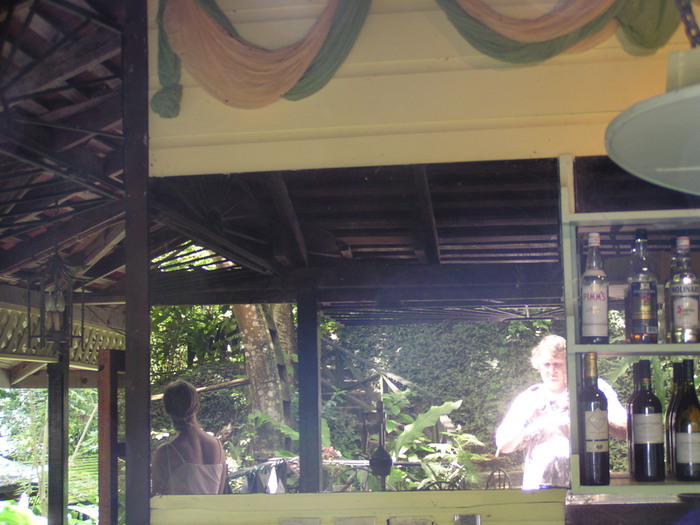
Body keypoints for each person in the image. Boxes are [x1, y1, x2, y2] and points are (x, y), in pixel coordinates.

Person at [495, 335, 626, 490]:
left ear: (569, 365)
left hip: (586, 485)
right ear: (538, 366)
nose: (551, 370)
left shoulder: (594, 390)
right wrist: (527, 421)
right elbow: (503, 446)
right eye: (546, 364)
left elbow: (625, 431)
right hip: (538, 491)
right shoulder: (530, 397)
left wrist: (590, 415)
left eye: (557, 364)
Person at [152, 380, 227, 495]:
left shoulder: (165, 453)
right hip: (212, 513)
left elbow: (157, 501)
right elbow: (219, 496)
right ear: (196, 407)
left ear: (167, 410)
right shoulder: (217, 446)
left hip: (179, 513)